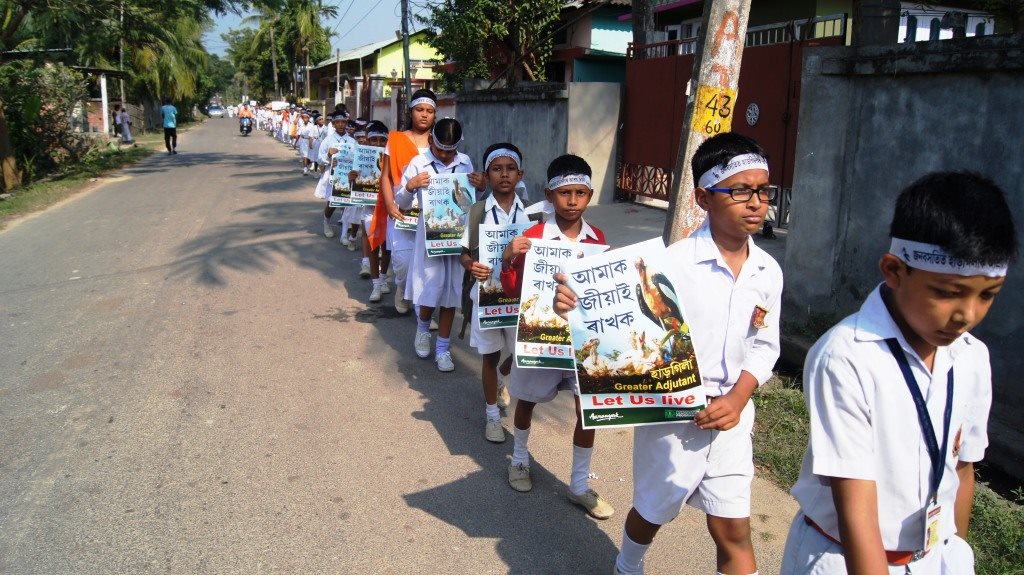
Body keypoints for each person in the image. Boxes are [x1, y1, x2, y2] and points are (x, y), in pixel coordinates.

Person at [554, 133, 782, 574]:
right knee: (653, 513)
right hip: (672, 416)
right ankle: (628, 564)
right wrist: (575, 304)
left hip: (732, 416)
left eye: (762, 190)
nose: (755, 202)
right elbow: (616, 319)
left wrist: (737, 399)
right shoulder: (670, 265)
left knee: (733, 529)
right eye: (739, 190)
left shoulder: (767, 271)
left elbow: (765, 345)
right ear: (703, 197)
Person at [780, 172, 1017, 575]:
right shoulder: (846, 359)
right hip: (843, 557)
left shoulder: (973, 358)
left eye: (987, 295)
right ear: (894, 270)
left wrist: (954, 548)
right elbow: (856, 507)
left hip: (933, 558)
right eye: (947, 292)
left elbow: (962, 467)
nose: (967, 315)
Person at [499, 153, 613, 520]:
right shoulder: (532, 238)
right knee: (528, 400)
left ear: (590, 195)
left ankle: (579, 484)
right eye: (565, 193)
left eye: (581, 193)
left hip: (580, 341)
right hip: (540, 337)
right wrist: (507, 259)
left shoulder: (597, 238)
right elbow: (514, 290)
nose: (573, 201)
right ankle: (519, 459)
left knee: (588, 411)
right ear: (549, 194)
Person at [394, 117, 485, 372]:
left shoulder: (465, 162)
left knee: (452, 292)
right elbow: (401, 202)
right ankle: (423, 329)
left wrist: (480, 187)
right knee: (430, 286)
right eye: (440, 149)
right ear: (431, 140)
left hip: (458, 236)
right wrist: (410, 187)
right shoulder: (418, 162)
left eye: (450, 150)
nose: (445, 155)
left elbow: (471, 201)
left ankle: (443, 349)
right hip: (429, 236)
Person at [459, 143, 536, 441]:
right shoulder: (477, 211)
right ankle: (492, 415)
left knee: (523, 355)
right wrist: (471, 265)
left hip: (520, 299)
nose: (504, 175)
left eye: (510, 169)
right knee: (489, 358)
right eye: (496, 169)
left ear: (520, 175)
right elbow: (463, 252)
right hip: (488, 297)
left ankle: (505, 375)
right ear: (487, 175)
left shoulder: (530, 215)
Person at [370, 88, 438, 315]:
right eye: (420, 109)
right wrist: (390, 205)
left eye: (429, 111)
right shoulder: (396, 139)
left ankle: (424, 312)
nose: (424, 115)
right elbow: (386, 177)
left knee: (429, 265)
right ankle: (401, 287)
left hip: (431, 212)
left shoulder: (440, 142)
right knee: (402, 262)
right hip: (401, 208)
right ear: (411, 112)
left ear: (435, 115)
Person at [362, 121, 392, 302]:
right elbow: (352, 185)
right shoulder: (361, 157)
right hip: (369, 208)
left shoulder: (392, 158)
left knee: (387, 247)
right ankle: (375, 285)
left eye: (382, 140)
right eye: (375, 140)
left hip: (387, 209)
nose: (378, 143)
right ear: (368, 140)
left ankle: (382, 278)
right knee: (373, 245)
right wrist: (353, 178)